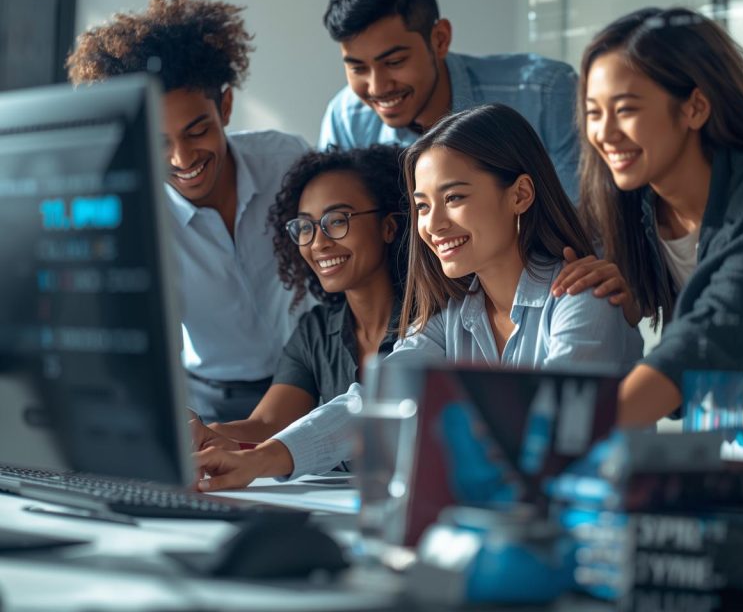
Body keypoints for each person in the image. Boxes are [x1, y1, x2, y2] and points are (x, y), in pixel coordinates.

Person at [194, 104, 642, 491]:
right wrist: (258, 461)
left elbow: (553, 431)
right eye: (423, 206)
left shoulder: (581, 296)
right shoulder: (453, 317)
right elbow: (373, 401)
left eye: (454, 197)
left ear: (520, 194)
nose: (433, 225)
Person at [66, 0, 309, 423]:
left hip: (311, 380)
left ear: (226, 108)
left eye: (197, 131)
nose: (182, 158)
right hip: (211, 399)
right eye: (159, 142)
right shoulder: (135, 217)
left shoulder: (288, 162)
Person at [550, 6, 743, 433]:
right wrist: (629, 300)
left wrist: (571, 440)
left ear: (694, 108)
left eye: (625, 109)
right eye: (594, 113)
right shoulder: (633, 207)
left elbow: (714, 336)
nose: (605, 133)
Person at [189, 145, 407, 450]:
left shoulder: (434, 321)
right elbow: (269, 424)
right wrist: (203, 434)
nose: (318, 243)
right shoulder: (314, 330)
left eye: (337, 220)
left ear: (389, 226)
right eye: (305, 227)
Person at [318, 0, 581, 201]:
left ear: (440, 40)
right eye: (358, 68)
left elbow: (579, 221)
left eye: (394, 62)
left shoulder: (545, 95)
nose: (377, 87)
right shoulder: (345, 121)